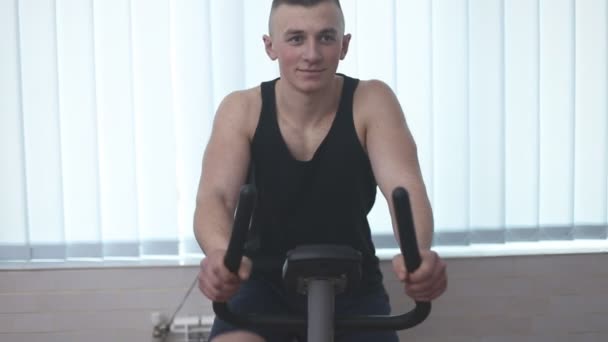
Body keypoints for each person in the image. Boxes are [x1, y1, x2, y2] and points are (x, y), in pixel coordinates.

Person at [194, 0, 447, 341]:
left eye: (326, 38)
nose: (311, 54)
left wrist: (417, 255)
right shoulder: (242, 108)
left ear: (344, 45)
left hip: (352, 284)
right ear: (271, 47)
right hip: (260, 283)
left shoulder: (372, 101)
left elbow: (405, 187)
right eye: (296, 39)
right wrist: (222, 255)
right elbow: (216, 198)